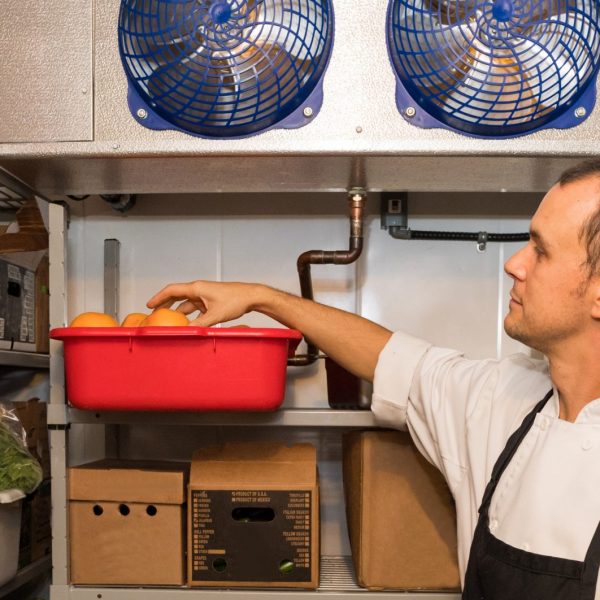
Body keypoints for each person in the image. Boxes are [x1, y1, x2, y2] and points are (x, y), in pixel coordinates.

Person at [147, 159, 600, 600]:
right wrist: (262, 298)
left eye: (540, 250)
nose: (515, 263)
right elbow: (394, 359)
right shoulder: (507, 398)